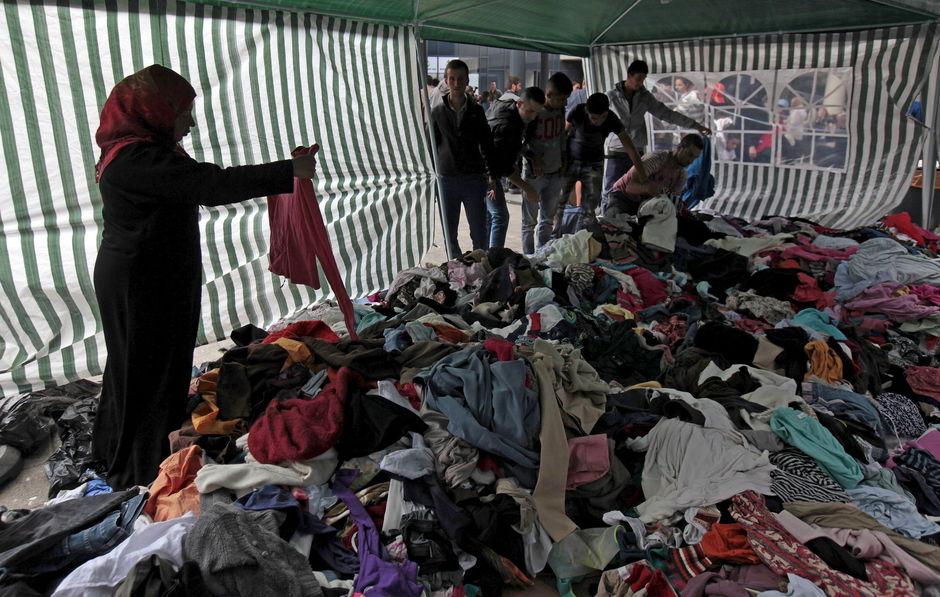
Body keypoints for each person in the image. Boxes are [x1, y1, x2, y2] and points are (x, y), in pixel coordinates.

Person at [90, 65, 317, 490]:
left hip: (149, 276)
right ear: (155, 111)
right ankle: (140, 471)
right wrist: (289, 171)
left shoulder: (139, 149)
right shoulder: (138, 160)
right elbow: (211, 185)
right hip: (142, 283)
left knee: (138, 369)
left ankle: (118, 453)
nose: (190, 124)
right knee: (149, 373)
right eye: (183, 115)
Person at [603, 60, 711, 212]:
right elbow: (599, 119)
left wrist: (695, 125)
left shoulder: (644, 97)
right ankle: (607, 221)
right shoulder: (610, 97)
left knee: (637, 192)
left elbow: (666, 114)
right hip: (616, 150)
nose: (641, 83)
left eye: (643, 79)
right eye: (638, 78)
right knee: (612, 192)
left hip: (637, 150)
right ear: (629, 75)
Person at [430, 59, 496, 258]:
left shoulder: (476, 111)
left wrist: (491, 174)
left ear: (467, 80)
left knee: (479, 232)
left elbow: (487, 144)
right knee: (450, 235)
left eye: (460, 79)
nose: (456, 83)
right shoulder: (437, 112)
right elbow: (430, 146)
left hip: (473, 179)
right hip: (446, 179)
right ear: (446, 80)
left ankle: (481, 267)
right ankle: (456, 268)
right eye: (452, 79)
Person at [556, 92, 646, 234]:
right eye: (594, 118)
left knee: (589, 209)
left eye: (602, 117)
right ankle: (555, 237)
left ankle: (582, 238)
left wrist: (642, 174)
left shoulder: (611, 118)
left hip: (594, 164)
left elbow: (630, 146)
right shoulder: (578, 111)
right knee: (560, 203)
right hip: (571, 161)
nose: (599, 121)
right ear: (587, 111)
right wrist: (559, 160)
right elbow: (562, 133)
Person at [486, 86, 546, 249]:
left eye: (536, 113)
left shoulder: (513, 107)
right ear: (519, 104)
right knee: (500, 215)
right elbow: (503, 167)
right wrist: (528, 189)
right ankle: (494, 258)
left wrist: (532, 156)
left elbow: (517, 145)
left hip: (491, 165)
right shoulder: (505, 125)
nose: (533, 117)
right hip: (484, 170)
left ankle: (485, 253)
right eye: (530, 111)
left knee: (490, 216)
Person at [520, 72, 572, 254]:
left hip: (556, 172)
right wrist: (532, 158)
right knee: (529, 222)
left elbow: (561, 138)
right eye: (561, 99)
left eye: (566, 99)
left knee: (548, 221)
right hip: (534, 176)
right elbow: (520, 142)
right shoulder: (535, 112)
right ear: (548, 95)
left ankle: (542, 256)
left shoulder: (561, 110)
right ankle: (528, 257)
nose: (564, 103)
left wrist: (564, 157)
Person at [605, 134, 704, 217]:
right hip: (621, 196)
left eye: (695, 158)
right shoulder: (658, 159)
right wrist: (646, 188)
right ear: (679, 148)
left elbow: (671, 203)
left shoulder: (681, 176)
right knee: (614, 227)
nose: (691, 161)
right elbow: (630, 188)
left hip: (643, 204)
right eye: (689, 154)